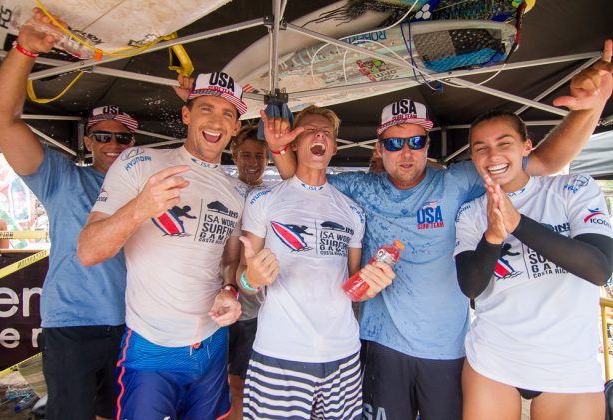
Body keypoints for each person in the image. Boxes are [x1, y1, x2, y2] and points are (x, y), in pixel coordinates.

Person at [264, 39, 613, 420]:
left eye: (416, 141)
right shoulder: (360, 189)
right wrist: (281, 149)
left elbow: (542, 161)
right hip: (381, 343)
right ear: (379, 148)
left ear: (428, 142)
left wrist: (589, 109)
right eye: (394, 143)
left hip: (449, 348)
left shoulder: (458, 181)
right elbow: (306, 185)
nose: (406, 152)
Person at [0, 9, 135, 420]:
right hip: (73, 326)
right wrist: (25, 48)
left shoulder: (145, 189)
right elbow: (1, 119)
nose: (113, 144)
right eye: (103, 135)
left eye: (123, 137)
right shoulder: (63, 178)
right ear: (88, 139)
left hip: (135, 325)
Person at [77, 71, 246, 419]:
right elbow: (89, 251)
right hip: (152, 347)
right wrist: (141, 208)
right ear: (186, 115)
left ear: (235, 128)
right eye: (206, 109)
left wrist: (230, 290)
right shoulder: (141, 163)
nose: (217, 121)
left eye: (228, 113)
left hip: (213, 344)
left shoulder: (237, 191)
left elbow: (231, 262)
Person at [454, 110, 613, 420]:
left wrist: (518, 224)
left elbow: (599, 269)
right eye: (480, 148)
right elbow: (471, 286)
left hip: (570, 371)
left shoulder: (573, 189)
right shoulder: (471, 212)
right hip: (493, 363)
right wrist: (493, 236)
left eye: (504, 143)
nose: (493, 155)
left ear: (527, 146)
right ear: (473, 157)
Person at [239, 105, 395, 419]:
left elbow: (354, 287)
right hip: (278, 353)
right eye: (309, 129)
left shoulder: (352, 211)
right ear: (294, 142)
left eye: (326, 132)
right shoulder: (262, 200)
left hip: (343, 354)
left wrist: (370, 287)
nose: (319, 134)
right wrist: (251, 279)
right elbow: (243, 280)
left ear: (335, 146)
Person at [227, 124, 270, 420]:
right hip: (216, 300)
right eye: (246, 155)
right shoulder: (224, 189)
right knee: (218, 383)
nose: (252, 162)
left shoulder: (271, 196)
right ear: (234, 155)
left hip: (253, 310)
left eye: (259, 155)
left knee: (242, 384)